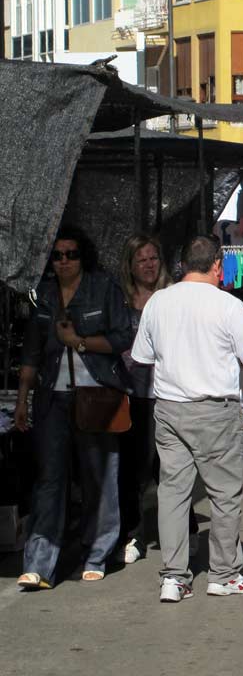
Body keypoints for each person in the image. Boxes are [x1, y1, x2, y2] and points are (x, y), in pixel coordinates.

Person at [132, 235, 243, 603]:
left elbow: (143, 356)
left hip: (170, 408)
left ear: (183, 264)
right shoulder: (228, 306)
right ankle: (223, 573)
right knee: (223, 494)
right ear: (218, 264)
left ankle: (174, 577)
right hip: (215, 410)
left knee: (172, 492)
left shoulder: (159, 301)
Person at [15, 227, 133, 589]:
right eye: (58, 255)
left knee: (99, 479)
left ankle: (97, 553)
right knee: (50, 480)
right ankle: (39, 563)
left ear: (84, 257)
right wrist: (22, 399)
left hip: (96, 393)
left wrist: (79, 342)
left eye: (72, 254)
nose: (64, 261)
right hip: (53, 396)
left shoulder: (103, 287)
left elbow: (121, 338)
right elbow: (32, 351)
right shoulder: (44, 297)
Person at [117, 234, 176, 565]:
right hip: (132, 394)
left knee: (170, 468)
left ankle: (186, 530)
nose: (150, 264)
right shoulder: (121, 301)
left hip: (168, 393)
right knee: (133, 468)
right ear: (131, 265)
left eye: (154, 258)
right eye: (142, 259)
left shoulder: (171, 297)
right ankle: (133, 533)